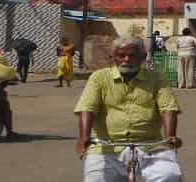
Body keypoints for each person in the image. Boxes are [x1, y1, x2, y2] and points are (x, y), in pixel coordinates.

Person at [74, 36, 183, 181]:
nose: (126, 59)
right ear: (112, 57)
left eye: (132, 55)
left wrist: (170, 136)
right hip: (106, 147)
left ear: (143, 57)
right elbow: (87, 108)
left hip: (150, 145)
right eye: (121, 55)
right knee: (96, 178)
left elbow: (168, 108)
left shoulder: (157, 78)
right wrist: (84, 137)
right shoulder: (99, 77)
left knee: (170, 176)